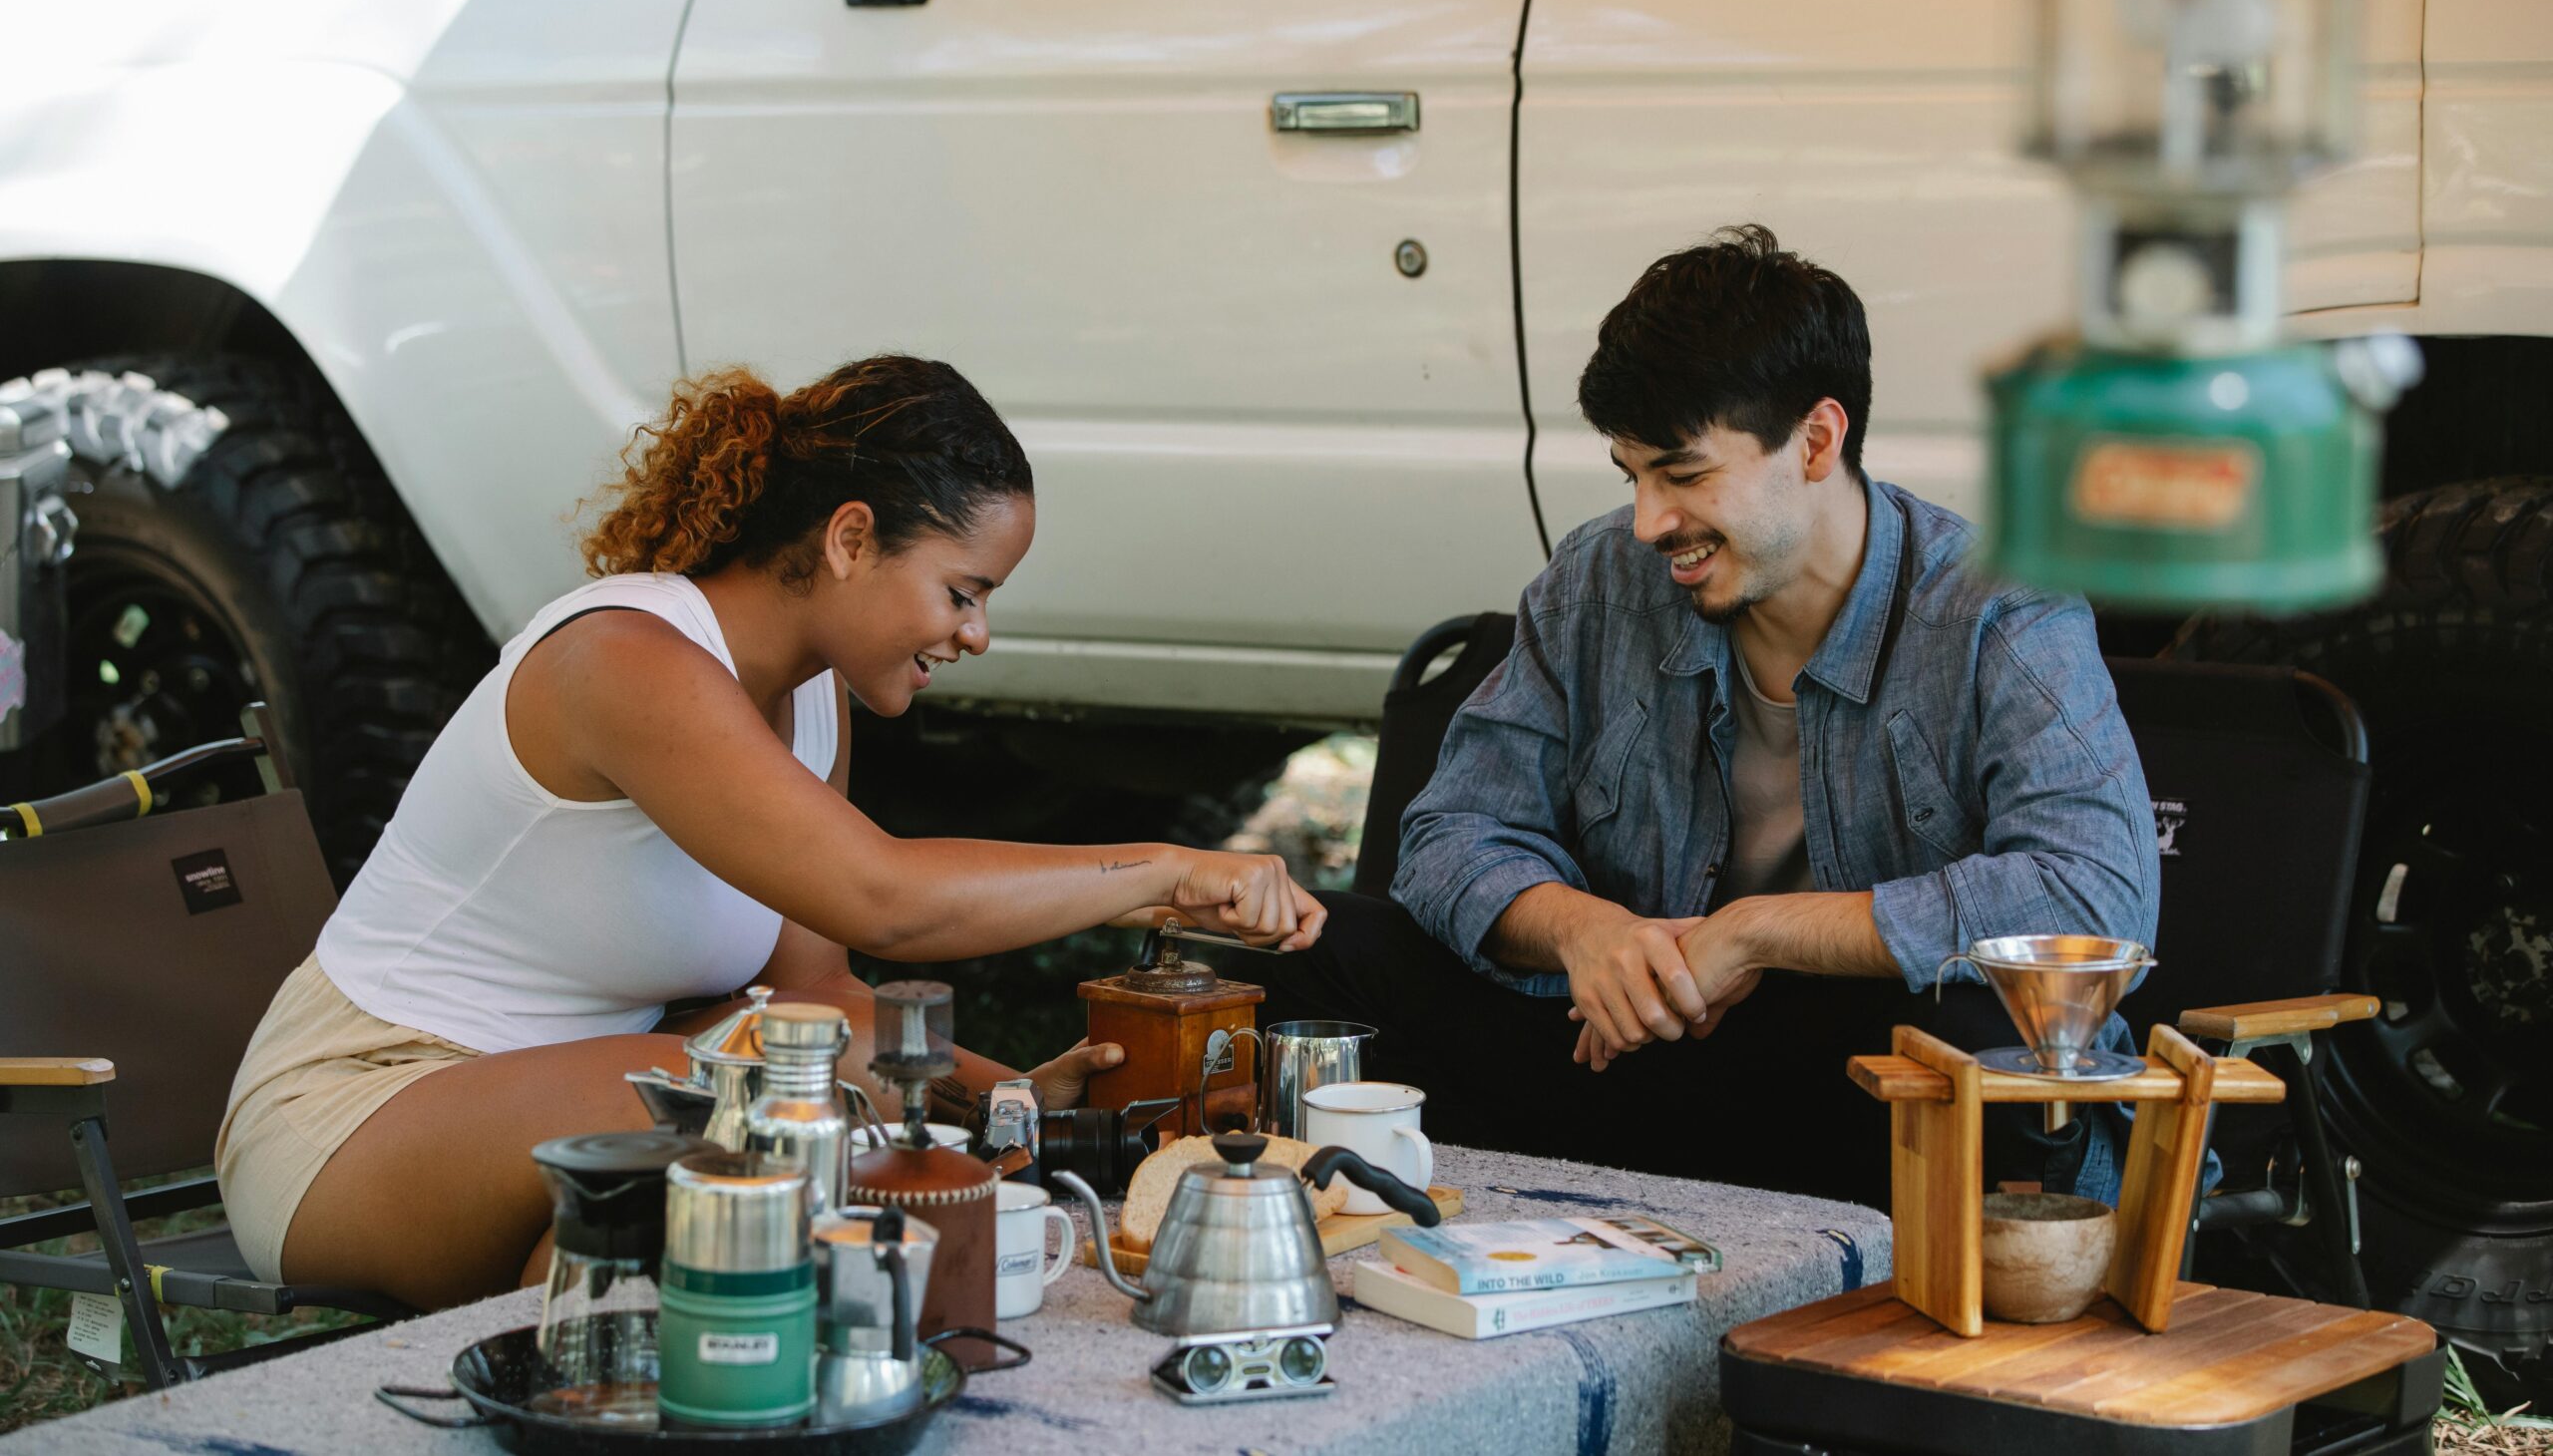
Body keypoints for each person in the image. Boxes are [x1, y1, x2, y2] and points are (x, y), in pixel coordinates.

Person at [216, 355, 1323, 1310]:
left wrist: (1007, 1096)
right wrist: (1168, 876)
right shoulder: (627, 660)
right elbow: (883, 896)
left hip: (578, 1119)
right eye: (962, 591)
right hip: (357, 1117)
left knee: (768, 1128)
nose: (977, 634)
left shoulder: (810, 698)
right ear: (850, 539)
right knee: (734, 1113)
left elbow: (816, 1003)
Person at [1235, 226, 2157, 1207]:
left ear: (1814, 440)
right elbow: (1449, 836)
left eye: (1682, 475)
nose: (1647, 522)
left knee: (1977, 1046)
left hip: (1845, 1090)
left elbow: (2095, 900)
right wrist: (1585, 933)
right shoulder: (1598, 581)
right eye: (1631, 474)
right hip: (1613, 1048)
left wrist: (1755, 934)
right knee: (1316, 951)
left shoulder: (2000, 612)